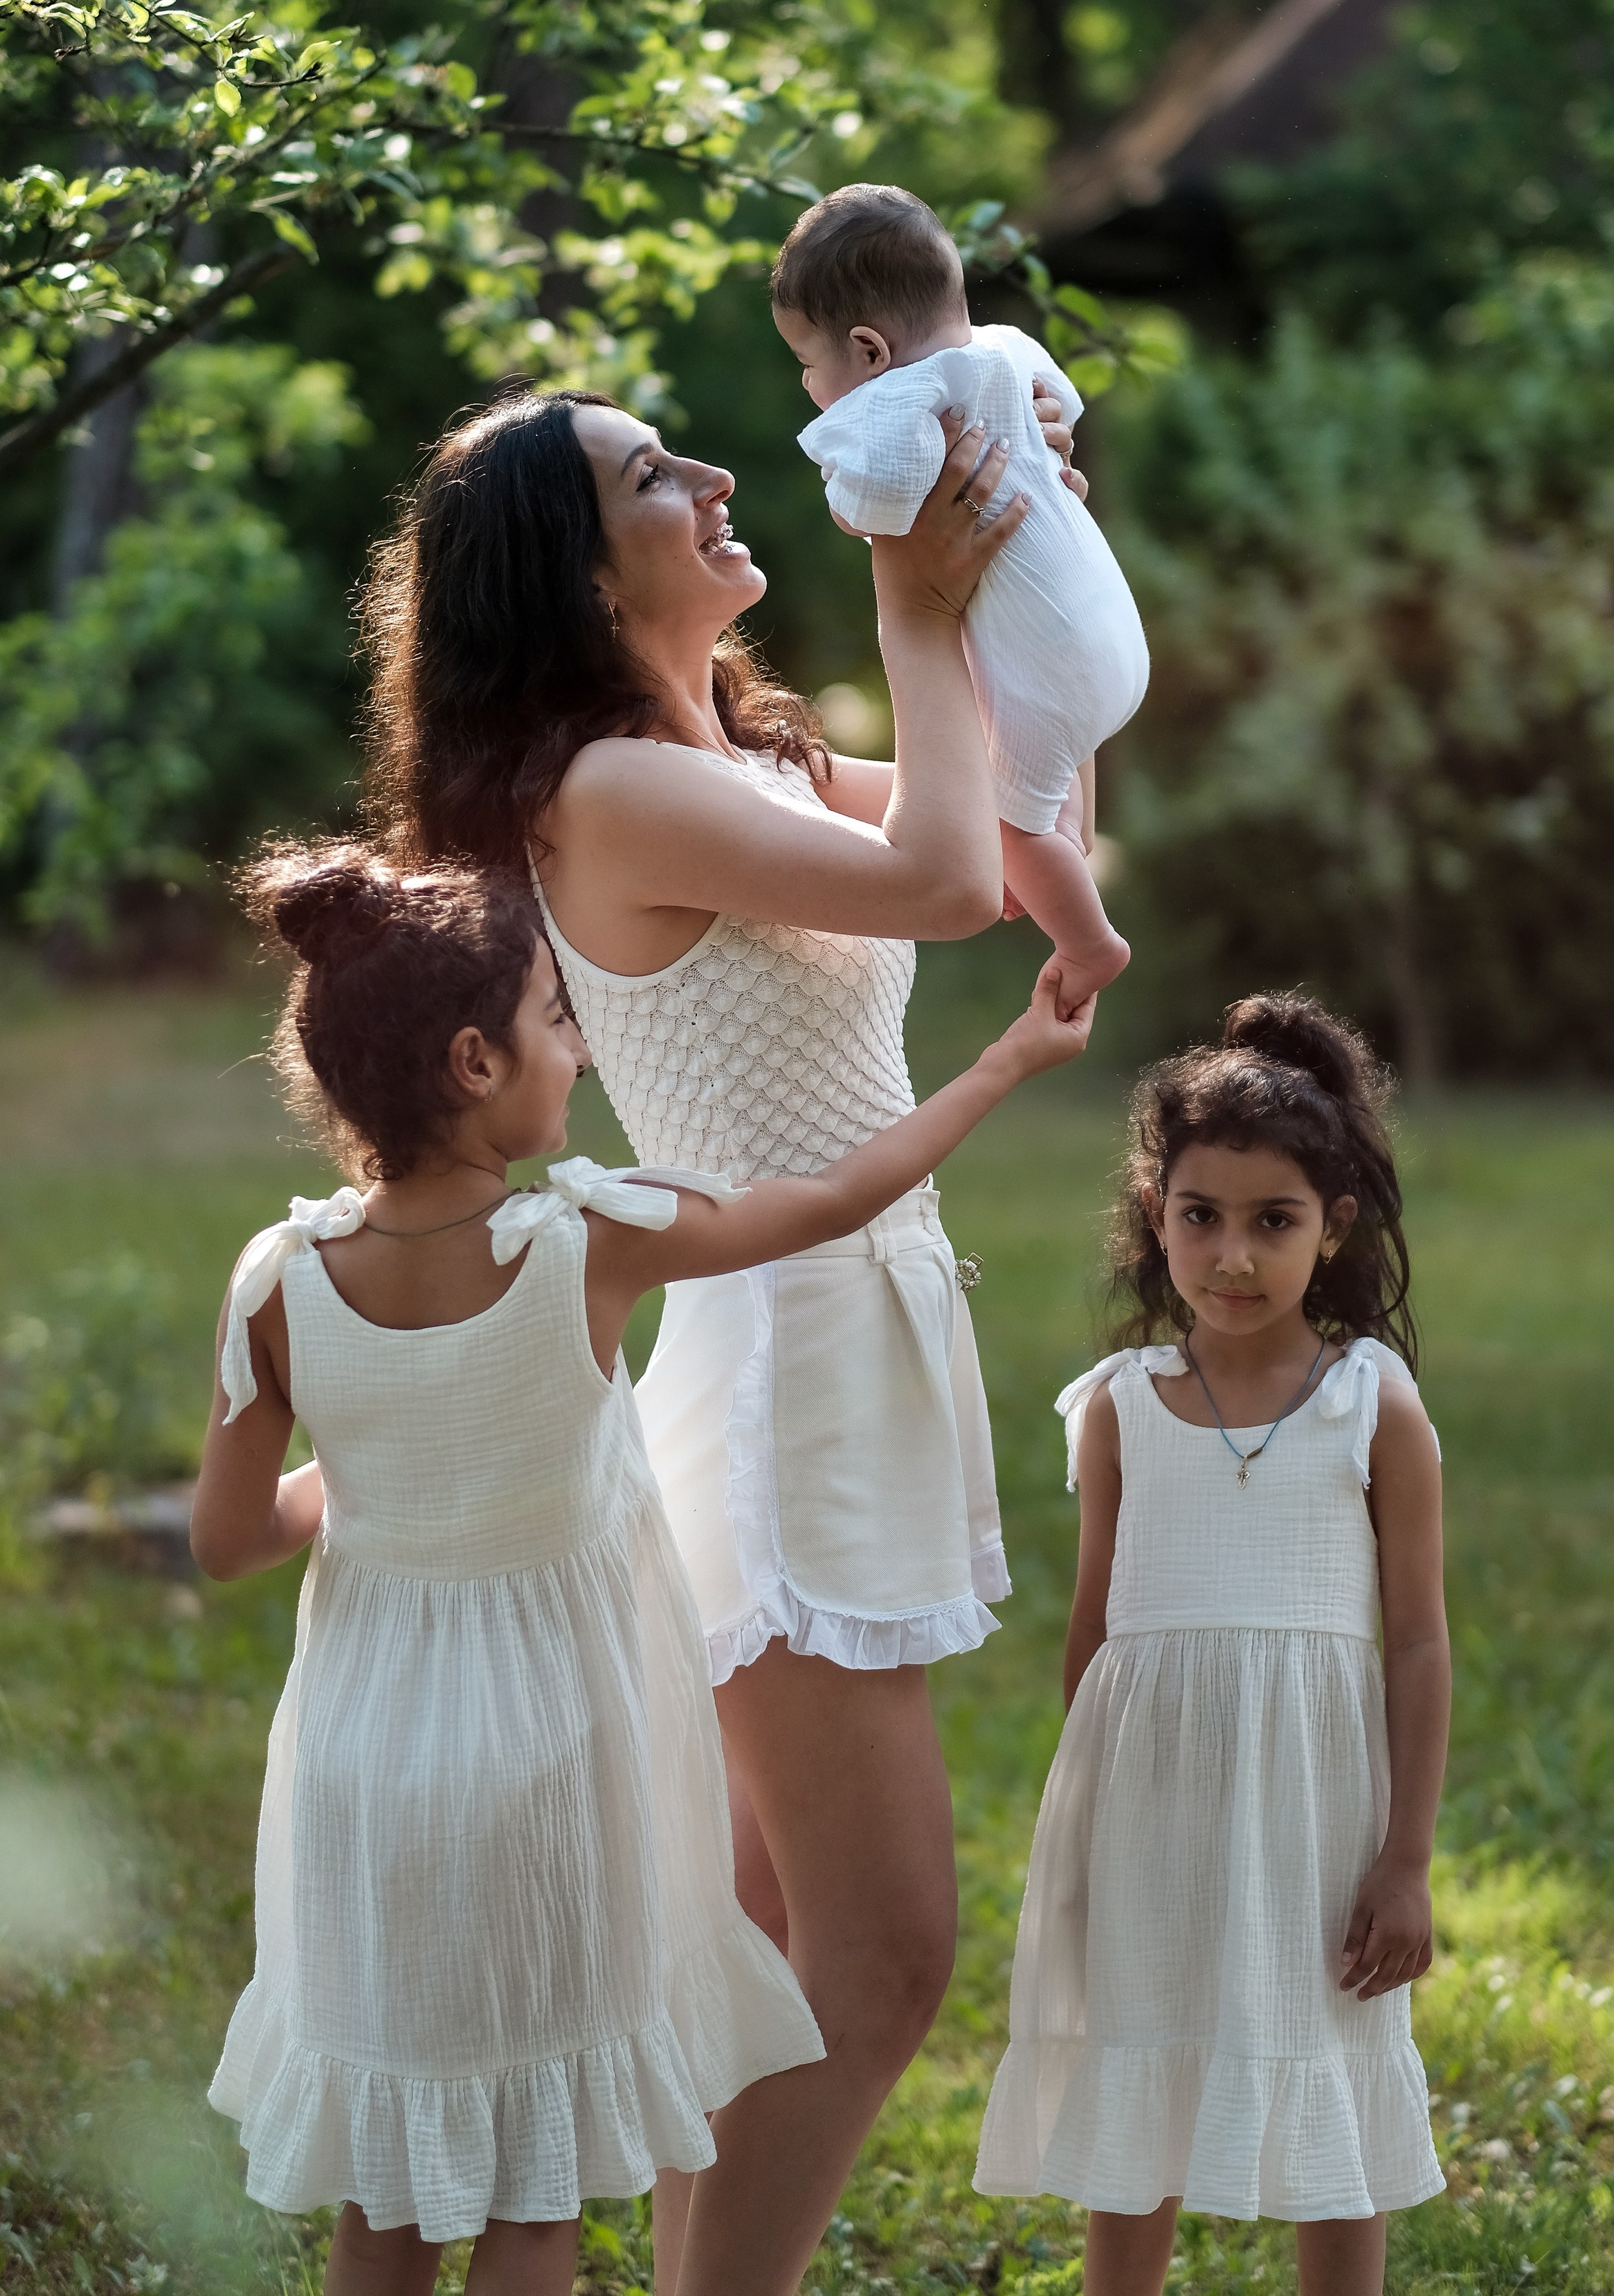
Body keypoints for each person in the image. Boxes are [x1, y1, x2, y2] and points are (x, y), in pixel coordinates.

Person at [359, 376, 1082, 2296]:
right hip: (781, 1381)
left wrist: (1029, 565)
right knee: (881, 1955)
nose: (713, 477)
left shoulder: (731, 757)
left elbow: (1016, 846)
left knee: (766, 1969)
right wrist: (917, 612)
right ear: (582, 581)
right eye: (651, 478)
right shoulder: (611, 789)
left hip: (840, 1350)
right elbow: (944, 883)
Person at [192, 840, 1091, 2296]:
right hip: (556, 1752)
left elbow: (231, 1540)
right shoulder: (590, 1245)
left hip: (366, 1764)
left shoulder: (278, 1277)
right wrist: (998, 1067)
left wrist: (380, 1473)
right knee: (534, 2194)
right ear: (476, 1061)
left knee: (390, 2196)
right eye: (560, 1020)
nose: (582, 1048)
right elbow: (826, 1199)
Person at [975, 992, 1449, 2296]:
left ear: (1333, 1228)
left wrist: (1405, 1857)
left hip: (1313, 1809)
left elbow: (1416, 1644)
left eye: (1272, 1223)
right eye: (1201, 1217)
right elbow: (1094, 1632)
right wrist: (1080, 1833)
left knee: (1328, 2077)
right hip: (1153, 1807)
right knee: (1143, 2066)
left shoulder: (1371, 1403)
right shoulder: (1121, 1408)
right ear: (1155, 1215)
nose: (1232, 1256)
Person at [771, 181, 1150, 1010]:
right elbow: (1067, 404)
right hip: (1106, 633)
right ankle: (1043, 853)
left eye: (809, 364)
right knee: (1027, 789)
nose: (809, 386)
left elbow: (879, 498)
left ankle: (1090, 944)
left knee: (1015, 824)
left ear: (869, 351)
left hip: (1054, 661)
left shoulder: (904, 396)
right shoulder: (1007, 348)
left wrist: (845, 506)